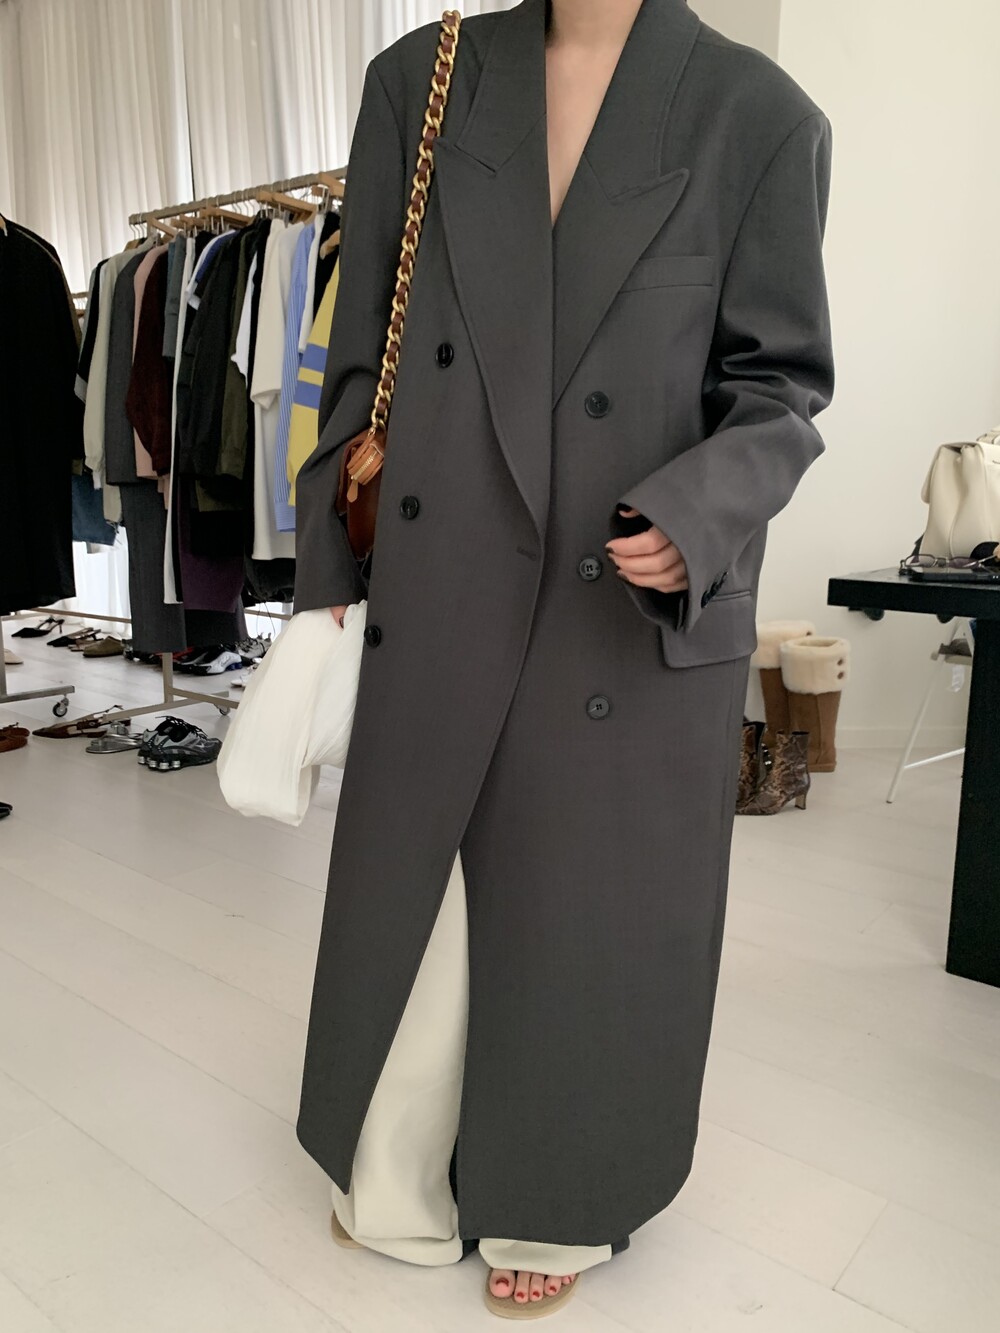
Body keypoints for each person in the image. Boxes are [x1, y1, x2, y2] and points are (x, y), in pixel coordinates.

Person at [293, 0, 834, 1317]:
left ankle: (559, 1191)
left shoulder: (758, 117)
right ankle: (402, 1160)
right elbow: (360, 358)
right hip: (448, 563)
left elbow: (780, 387)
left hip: (618, 584)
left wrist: (696, 514)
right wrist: (326, 583)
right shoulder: (419, 82)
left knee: (583, 906)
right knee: (428, 889)